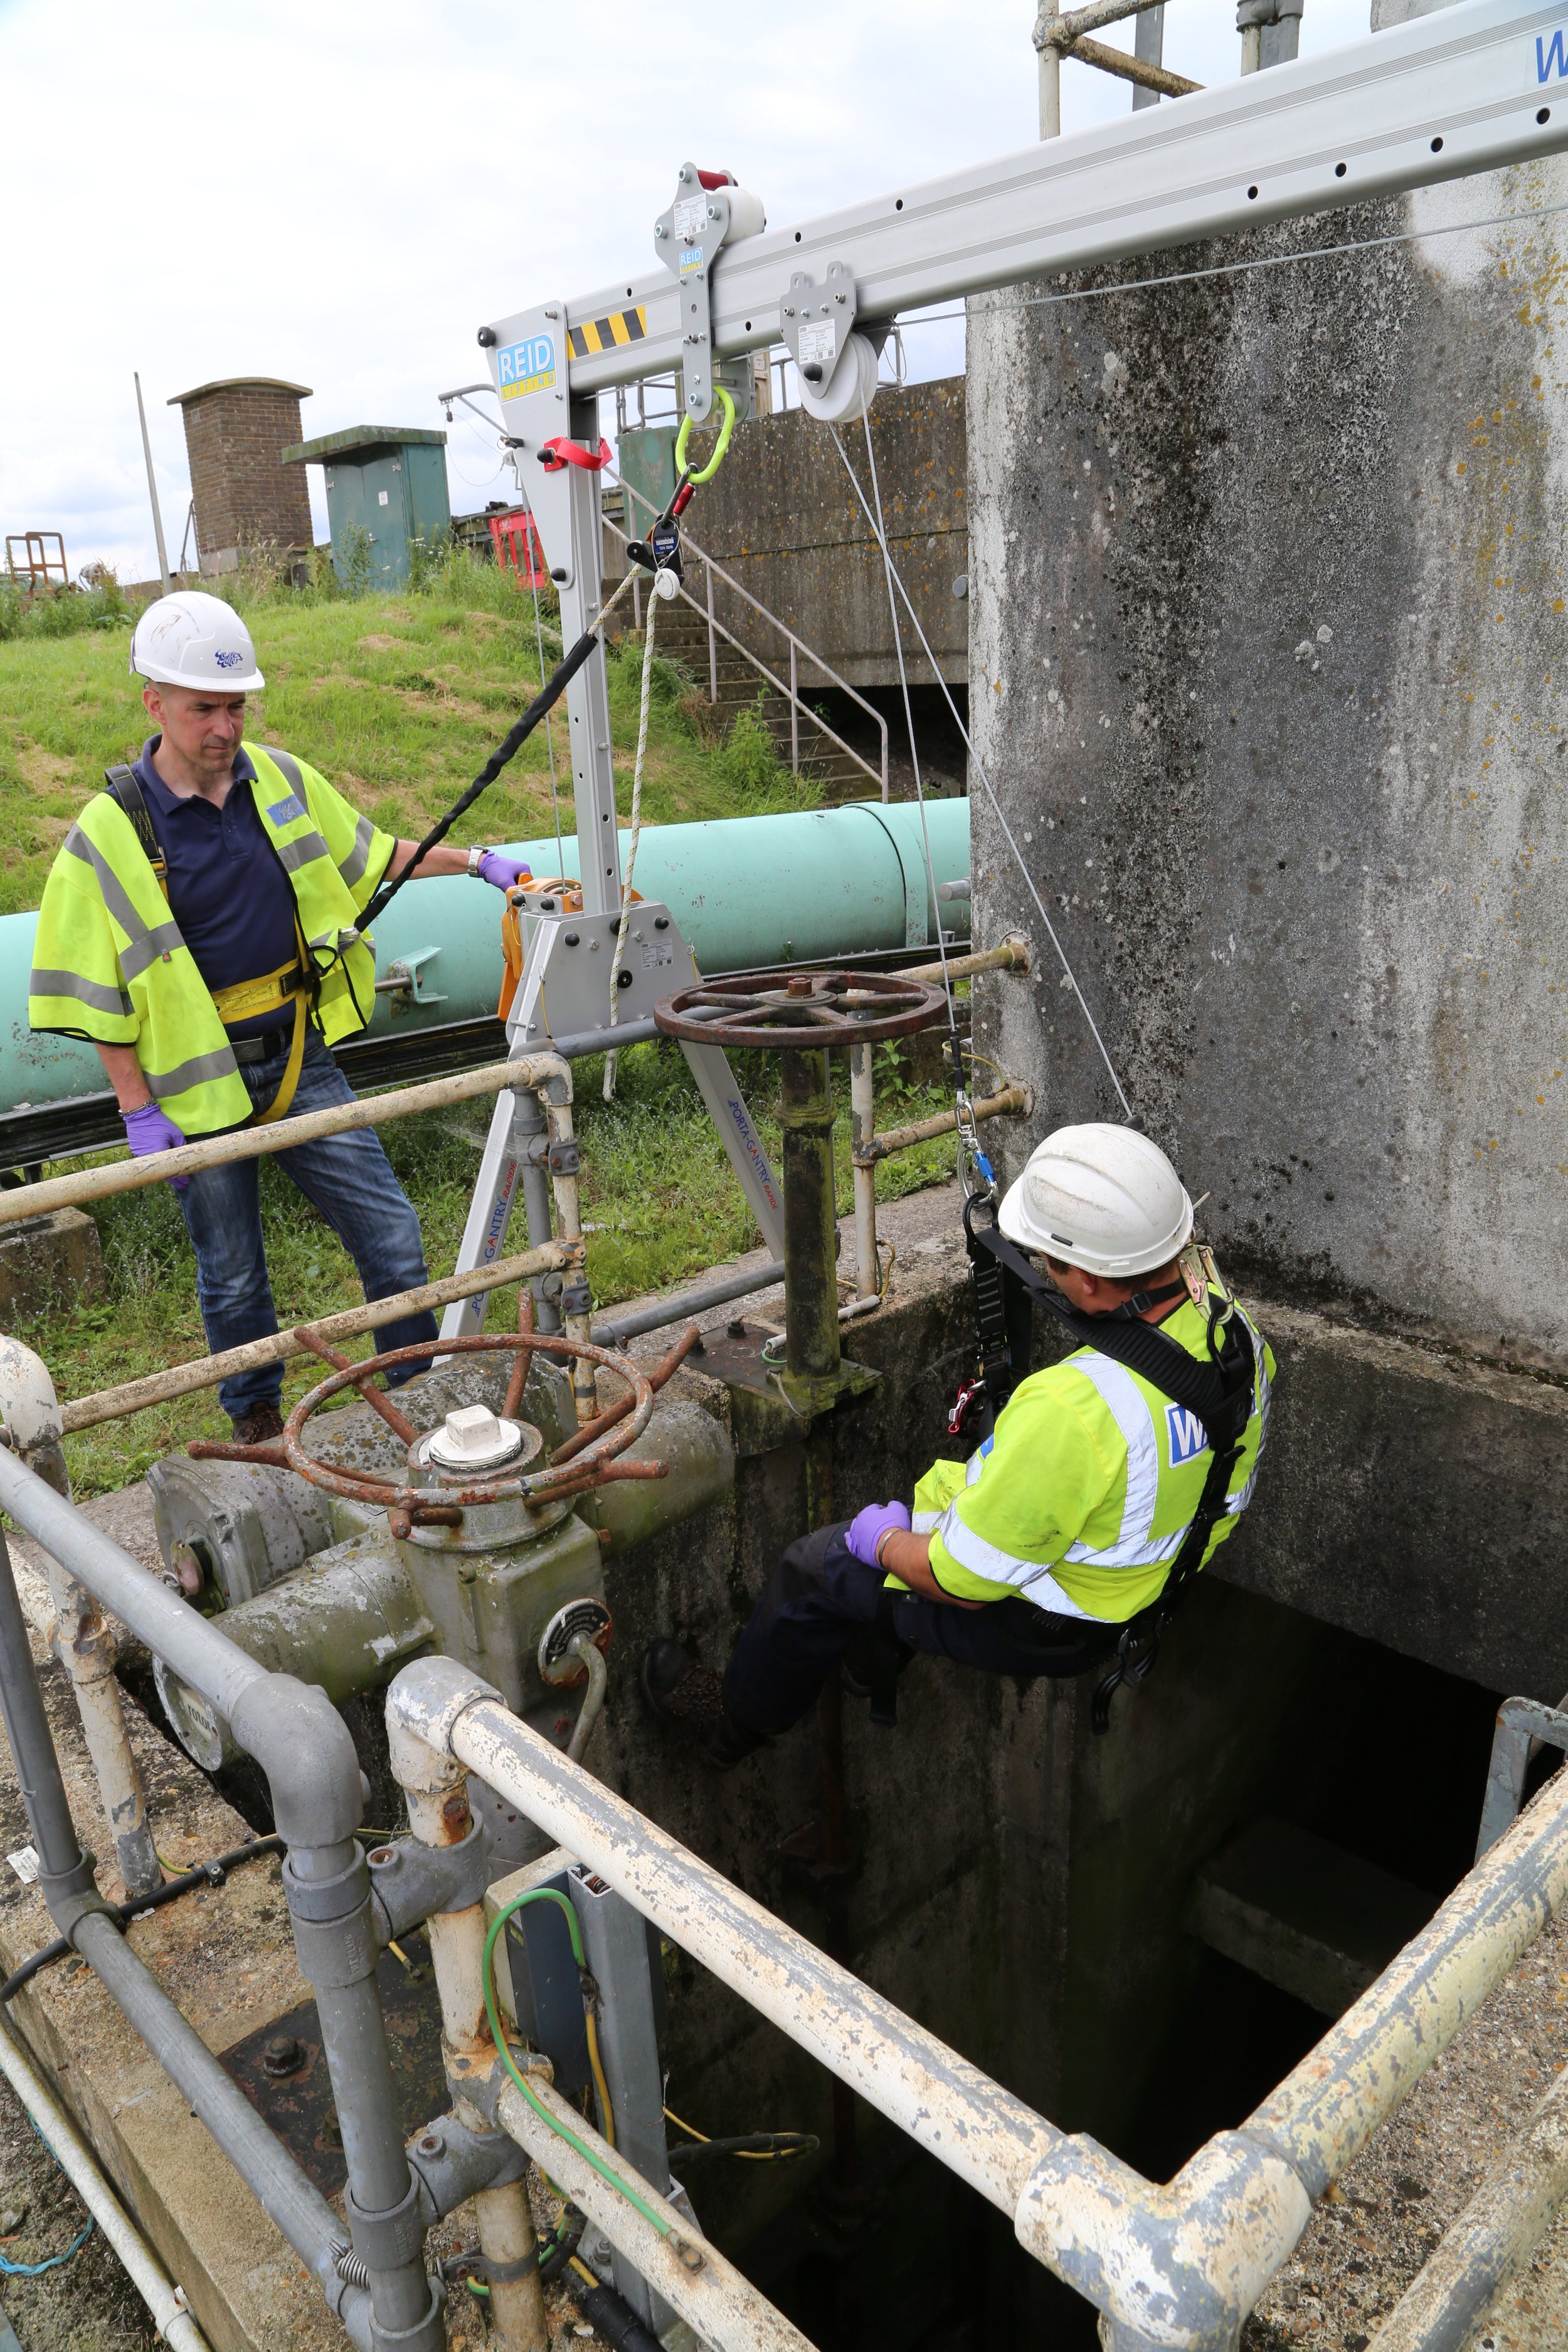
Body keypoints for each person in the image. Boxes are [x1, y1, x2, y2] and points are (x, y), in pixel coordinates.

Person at [28, 590, 532, 1444]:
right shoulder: (109, 830)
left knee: (393, 1237)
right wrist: (138, 1111)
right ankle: (256, 1420)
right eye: (203, 708)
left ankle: (407, 1399)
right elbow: (94, 983)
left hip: (300, 1062)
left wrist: (475, 859)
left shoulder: (283, 781)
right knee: (231, 1275)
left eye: (235, 706)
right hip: (196, 1089)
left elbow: (371, 856)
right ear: (154, 702)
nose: (223, 727)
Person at [642, 1123, 1276, 1762]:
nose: (1044, 1277)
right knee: (892, 1566)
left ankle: (734, 1725)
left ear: (1085, 1280)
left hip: (1040, 1621)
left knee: (814, 1568)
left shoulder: (1073, 1411)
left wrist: (884, 1542)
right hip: (1142, 1594)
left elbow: (959, 1582)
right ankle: (869, 1658)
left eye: (1048, 1265)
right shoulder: (1234, 1332)